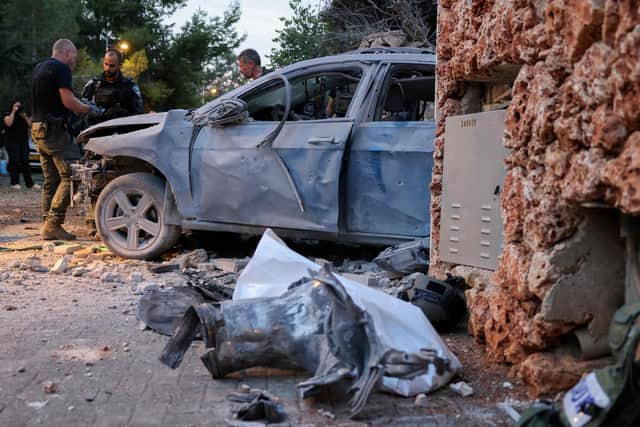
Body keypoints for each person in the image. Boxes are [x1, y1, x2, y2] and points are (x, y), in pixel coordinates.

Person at [31, 38, 104, 240]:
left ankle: (47, 223)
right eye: (74, 56)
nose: (74, 61)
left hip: (38, 128)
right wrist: (89, 109)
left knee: (51, 179)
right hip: (54, 131)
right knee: (72, 174)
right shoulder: (61, 68)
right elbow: (68, 101)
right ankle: (53, 224)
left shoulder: (40, 67)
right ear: (67, 52)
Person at [81, 48, 143, 125]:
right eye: (106, 64)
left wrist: (122, 114)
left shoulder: (130, 85)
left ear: (119, 65)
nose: (107, 68)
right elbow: (81, 107)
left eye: (112, 66)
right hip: (98, 131)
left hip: (123, 131)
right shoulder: (93, 84)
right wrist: (101, 113)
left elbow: (139, 114)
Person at [3, 100, 38, 190]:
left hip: (23, 141)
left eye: (19, 106)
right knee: (14, 161)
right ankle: (14, 183)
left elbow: (31, 125)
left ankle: (29, 184)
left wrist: (25, 116)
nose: (18, 107)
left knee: (25, 161)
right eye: (16, 106)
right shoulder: (8, 114)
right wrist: (13, 112)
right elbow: (8, 123)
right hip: (11, 141)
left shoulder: (24, 115)